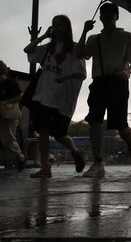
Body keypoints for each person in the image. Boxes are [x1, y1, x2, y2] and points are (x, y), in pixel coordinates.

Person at [75, 3, 131, 178]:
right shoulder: (95, 38)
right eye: (104, 16)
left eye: (110, 15)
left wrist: (127, 71)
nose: (106, 19)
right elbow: (78, 54)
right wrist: (85, 31)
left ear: (116, 16)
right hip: (99, 82)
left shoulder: (127, 37)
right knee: (95, 120)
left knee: (120, 124)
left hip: (118, 82)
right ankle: (98, 162)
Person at [23, 15, 86, 178]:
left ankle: (76, 151)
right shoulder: (49, 47)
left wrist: (66, 76)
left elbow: (82, 74)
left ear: (67, 27)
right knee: (42, 131)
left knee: (58, 134)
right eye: (54, 25)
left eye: (59, 25)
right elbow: (28, 50)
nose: (56, 28)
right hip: (42, 95)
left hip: (61, 98)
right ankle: (46, 167)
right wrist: (44, 36)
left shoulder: (74, 48)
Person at [0, 60, 26, 170]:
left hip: (7, 113)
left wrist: (5, 102)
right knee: (8, 137)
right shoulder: (10, 82)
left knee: (7, 139)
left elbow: (20, 96)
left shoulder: (10, 83)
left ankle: (20, 157)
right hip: (7, 113)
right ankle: (19, 157)